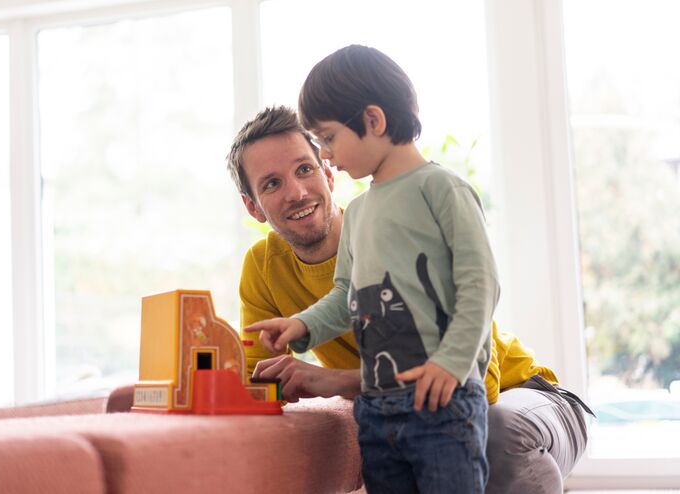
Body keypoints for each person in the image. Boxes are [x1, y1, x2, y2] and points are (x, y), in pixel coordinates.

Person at [226, 80, 589, 494]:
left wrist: (340, 382)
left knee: (494, 432)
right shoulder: (264, 267)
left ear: (328, 171)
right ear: (252, 205)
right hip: (401, 407)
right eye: (271, 184)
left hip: (519, 393)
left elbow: (475, 384)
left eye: (305, 168)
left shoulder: (405, 219)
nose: (296, 191)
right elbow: (257, 382)